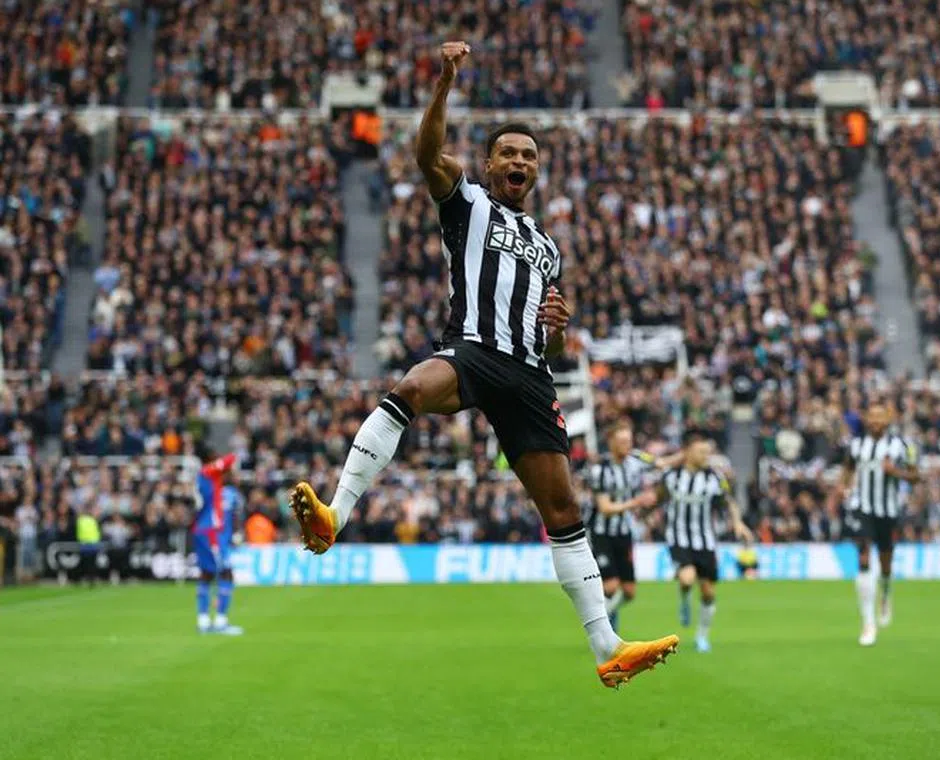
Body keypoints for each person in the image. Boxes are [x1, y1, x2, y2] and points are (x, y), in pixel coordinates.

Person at [289, 40, 678, 688]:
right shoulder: (467, 203)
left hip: (529, 373)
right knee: (412, 387)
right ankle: (334, 516)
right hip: (473, 349)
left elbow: (552, 348)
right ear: (491, 164)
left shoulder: (548, 247)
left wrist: (558, 332)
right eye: (509, 153)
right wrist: (444, 82)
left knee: (563, 509)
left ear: (537, 170)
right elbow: (425, 155)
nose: (520, 161)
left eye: (529, 156)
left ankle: (608, 647)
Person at [654, 430, 748, 653]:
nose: (706, 456)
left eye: (708, 452)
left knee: (708, 593)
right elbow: (658, 497)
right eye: (701, 452)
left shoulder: (715, 478)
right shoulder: (671, 476)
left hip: (705, 540)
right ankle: (685, 601)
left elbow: (729, 502)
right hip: (678, 537)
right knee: (687, 579)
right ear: (687, 452)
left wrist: (737, 523)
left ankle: (702, 636)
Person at [833, 403, 919, 647]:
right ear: (866, 419)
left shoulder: (903, 446)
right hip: (862, 507)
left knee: (885, 563)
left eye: (880, 417)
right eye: (872, 417)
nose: (876, 421)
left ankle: (886, 593)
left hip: (888, 511)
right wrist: (842, 486)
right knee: (863, 557)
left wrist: (896, 472)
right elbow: (847, 469)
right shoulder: (856, 445)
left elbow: (915, 476)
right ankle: (868, 623)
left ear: (888, 419)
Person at [585, 421, 680, 632]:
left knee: (629, 592)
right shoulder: (600, 470)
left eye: (629, 441)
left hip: (624, 531)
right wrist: (637, 502)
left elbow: (661, 463)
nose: (626, 446)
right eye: (622, 442)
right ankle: (602, 629)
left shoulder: (636, 459)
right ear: (611, 442)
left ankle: (606, 615)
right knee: (611, 586)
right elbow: (605, 508)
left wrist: (686, 455)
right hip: (600, 532)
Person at [193, 452, 243, 635]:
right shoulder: (209, 476)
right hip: (212, 533)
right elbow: (226, 461)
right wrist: (235, 456)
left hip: (205, 530)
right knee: (226, 573)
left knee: (206, 574)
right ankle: (220, 621)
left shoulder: (210, 485)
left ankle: (203, 621)